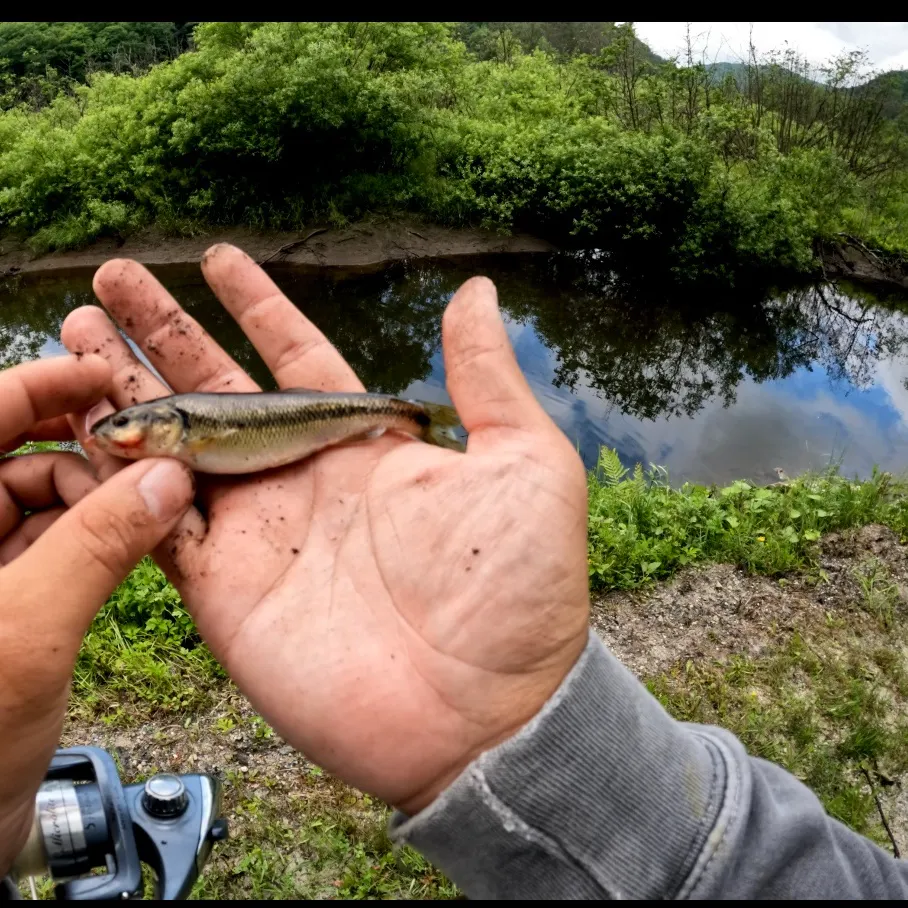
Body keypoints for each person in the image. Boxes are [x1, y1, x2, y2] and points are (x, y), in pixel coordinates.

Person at [0, 244, 906, 900]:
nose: (116, 438)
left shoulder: (216, 425)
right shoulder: (181, 426)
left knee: (381, 411)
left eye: (125, 429)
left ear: (167, 430)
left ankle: (400, 414)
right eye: (121, 431)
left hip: (354, 416)